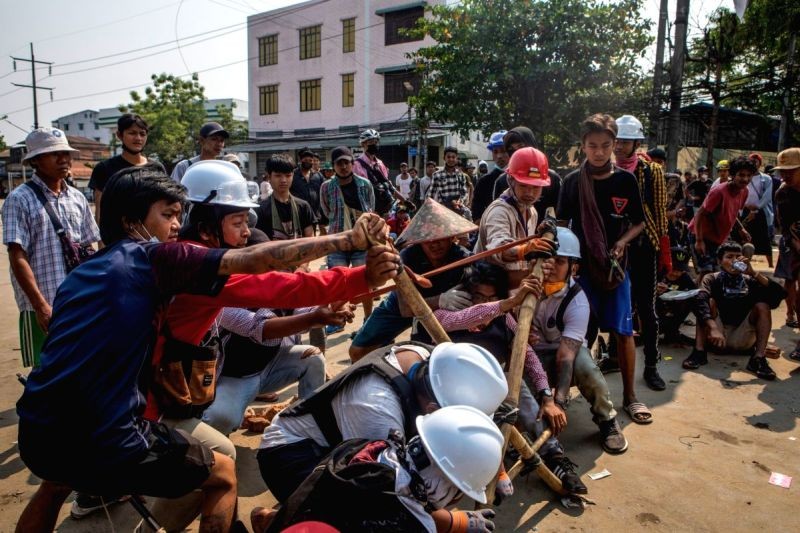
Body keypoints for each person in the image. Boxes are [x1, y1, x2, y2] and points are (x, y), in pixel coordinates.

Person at [143, 160, 400, 530]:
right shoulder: (202, 270)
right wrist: (359, 270)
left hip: (166, 386)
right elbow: (282, 289)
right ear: (207, 224)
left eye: (248, 222)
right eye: (238, 222)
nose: (247, 232)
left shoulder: (188, 258)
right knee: (219, 462)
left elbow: (292, 287)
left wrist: (342, 296)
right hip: (154, 399)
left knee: (218, 463)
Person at [256, 341, 508, 505]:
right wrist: (455, 524)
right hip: (291, 455)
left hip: (341, 442)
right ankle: (281, 518)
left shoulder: (430, 360)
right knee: (369, 512)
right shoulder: (378, 409)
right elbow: (398, 492)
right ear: (433, 409)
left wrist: (494, 469)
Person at [414, 260, 589, 493]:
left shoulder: (504, 319)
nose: (485, 303)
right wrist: (507, 303)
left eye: (491, 297)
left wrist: (547, 397)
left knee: (515, 385)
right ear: (467, 295)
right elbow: (468, 317)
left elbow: (528, 357)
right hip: (448, 397)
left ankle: (555, 458)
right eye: (478, 296)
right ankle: (493, 463)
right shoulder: (444, 316)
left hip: (489, 393)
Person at [201, 229, 356, 436]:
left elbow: (305, 308)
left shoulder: (279, 284)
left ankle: (306, 428)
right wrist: (317, 317)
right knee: (219, 418)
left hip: (273, 367)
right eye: (264, 262)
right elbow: (261, 329)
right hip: (237, 377)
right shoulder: (224, 296)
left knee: (313, 359)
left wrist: (332, 308)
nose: (271, 269)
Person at [255, 406, 502, 533]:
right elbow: (411, 513)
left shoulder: (365, 449)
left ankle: (271, 520)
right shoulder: (413, 527)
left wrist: (455, 523)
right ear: (449, 486)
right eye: (458, 492)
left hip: (298, 521)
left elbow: (406, 502)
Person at [557, 113, 652, 425]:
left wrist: (623, 241)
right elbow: (561, 227)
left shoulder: (625, 181)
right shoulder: (572, 183)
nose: (599, 152)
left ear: (615, 146)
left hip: (615, 271)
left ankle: (630, 397)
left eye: (606, 145)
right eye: (593, 145)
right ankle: (570, 396)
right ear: (583, 146)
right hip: (582, 272)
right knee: (578, 334)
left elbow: (639, 222)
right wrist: (567, 263)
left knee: (623, 333)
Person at [2, 127, 100, 369]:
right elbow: (17, 255)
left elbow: (90, 248)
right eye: (53, 154)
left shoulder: (77, 198)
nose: (63, 159)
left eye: (65, 153)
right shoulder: (19, 199)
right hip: (44, 304)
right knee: (46, 369)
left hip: (79, 300)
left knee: (81, 365)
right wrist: (40, 306)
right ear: (35, 160)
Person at [532, 228, 628, 454]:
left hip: (568, 354)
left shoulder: (577, 301)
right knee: (517, 384)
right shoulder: (527, 287)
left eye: (560, 261)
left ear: (573, 267)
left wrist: (559, 400)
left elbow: (566, 356)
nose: (551, 266)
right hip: (534, 354)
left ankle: (607, 419)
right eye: (546, 259)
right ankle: (527, 425)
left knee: (586, 367)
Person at [349, 199, 477, 362]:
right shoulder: (408, 256)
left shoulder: (464, 258)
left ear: (451, 237)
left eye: (440, 239)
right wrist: (440, 300)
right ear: (419, 240)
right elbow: (405, 309)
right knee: (357, 351)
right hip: (404, 304)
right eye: (427, 239)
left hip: (448, 311)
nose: (434, 245)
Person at [612, 115, 669, 391]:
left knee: (647, 307)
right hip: (613, 247)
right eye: (617, 141)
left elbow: (658, 211)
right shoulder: (605, 168)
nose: (620, 146)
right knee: (617, 303)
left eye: (625, 141)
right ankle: (613, 356)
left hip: (645, 245)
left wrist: (664, 250)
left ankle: (651, 365)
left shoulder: (651, 171)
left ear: (636, 142)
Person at [682, 241, 784, 379]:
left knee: (762, 306)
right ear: (720, 261)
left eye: (737, 257)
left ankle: (758, 359)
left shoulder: (750, 280)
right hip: (717, 335)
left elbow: (779, 295)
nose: (734, 260)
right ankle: (699, 352)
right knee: (707, 301)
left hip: (742, 338)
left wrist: (754, 273)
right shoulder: (712, 278)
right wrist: (713, 328)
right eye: (729, 257)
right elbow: (699, 300)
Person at [474, 147, 558, 289]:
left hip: (511, 287)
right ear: (511, 180)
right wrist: (525, 250)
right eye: (523, 185)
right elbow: (499, 249)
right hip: (486, 295)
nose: (530, 193)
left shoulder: (531, 210)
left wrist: (539, 234)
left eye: (536, 187)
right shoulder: (499, 212)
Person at [320, 146, 376, 331]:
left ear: (352, 164)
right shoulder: (326, 187)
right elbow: (327, 210)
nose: (343, 166)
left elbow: (371, 208)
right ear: (333, 166)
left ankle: (368, 319)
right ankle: (338, 319)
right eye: (339, 163)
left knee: (365, 282)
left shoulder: (364, 184)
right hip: (337, 241)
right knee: (336, 283)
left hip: (362, 241)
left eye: (346, 162)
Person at [89, 113, 164, 221]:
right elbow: (100, 209)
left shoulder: (156, 168)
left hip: (151, 233)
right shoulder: (104, 168)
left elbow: (163, 205)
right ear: (119, 135)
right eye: (132, 133)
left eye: (142, 134)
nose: (138, 138)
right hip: (117, 234)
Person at [689, 156, 755, 275]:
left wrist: (741, 229)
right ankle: (702, 293)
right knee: (706, 272)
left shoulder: (744, 191)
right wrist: (699, 241)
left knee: (718, 272)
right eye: (741, 175)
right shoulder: (719, 192)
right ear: (733, 175)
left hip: (719, 238)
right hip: (701, 235)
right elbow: (700, 215)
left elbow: (731, 213)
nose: (745, 179)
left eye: (748, 175)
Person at [491, 127, 563, 224]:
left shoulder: (552, 178)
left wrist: (548, 233)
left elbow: (560, 216)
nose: (529, 192)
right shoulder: (502, 181)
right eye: (510, 149)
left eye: (536, 187)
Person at [770, 148, 800, 359]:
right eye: (783, 171)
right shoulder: (783, 193)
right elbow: (788, 227)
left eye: (791, 171)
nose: (785, 175)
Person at [255, 154, 316, 244]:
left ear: (293, 176)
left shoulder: (303, 207)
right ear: (269, 176)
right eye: (278, 176)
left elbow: (310, 241)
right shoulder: (261, 210)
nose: (283, 180)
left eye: (288, 175)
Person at [353, 129, 402, 217]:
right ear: (363, 144)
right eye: (370, 142)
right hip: (366, 211)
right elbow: (356, 191)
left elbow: (389, 185)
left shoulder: (380, 164)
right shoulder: (356, 165)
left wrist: (403, 200)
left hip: (384, 209)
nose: (374, 144)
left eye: (376, 141)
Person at [656, 246, 697, 345]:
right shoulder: (656, 273)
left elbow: (693, 292)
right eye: (673, 268)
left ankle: (672, 330)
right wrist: (654, 290)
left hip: (673, 313)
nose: (676, 273)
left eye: (680, 270)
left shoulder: (685, 278)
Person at [742, 153, 774, 267]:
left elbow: (767, 196)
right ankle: (746, 264)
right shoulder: (745, 176)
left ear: (760, 164)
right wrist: (745, 206)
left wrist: (756, 209)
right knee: (745, 237)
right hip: (745, 210)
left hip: (761, 213)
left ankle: (770, 265)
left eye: (756, 162)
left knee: (764, 239)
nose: (754, 164)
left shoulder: (766, 178)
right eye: (752, 161)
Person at [472, 131, 508, 223]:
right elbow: (477, 209)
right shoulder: (484, 181)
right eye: (495, 152)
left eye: (503, 151)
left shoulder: (519, 179)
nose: (499, 156)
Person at [427, 146, 470, 219]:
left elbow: (464, 192)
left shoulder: (460, 175)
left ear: (456, 158)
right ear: (444, 158)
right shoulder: (437, 175)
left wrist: (460, 201)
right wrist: (429, 210)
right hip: (442, 211)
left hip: (458, 210)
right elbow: (430, 195)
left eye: (453, 157)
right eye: (448, 157)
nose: (451, 159)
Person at [290, 148, 325, 236]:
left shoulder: (318, 176)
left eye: (310, 160)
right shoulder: (293, 175)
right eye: (305, 160)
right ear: (301, 160)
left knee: (311, 239)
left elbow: (324, 192)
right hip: (297, 214)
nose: (308, 162)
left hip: (313, 214)